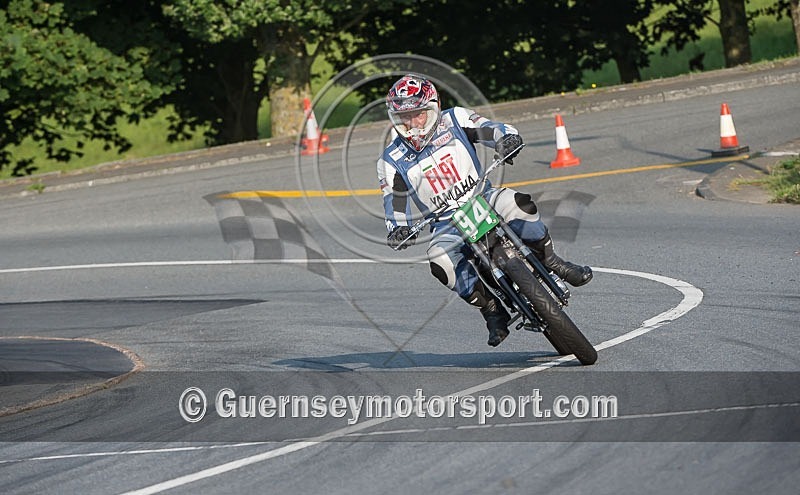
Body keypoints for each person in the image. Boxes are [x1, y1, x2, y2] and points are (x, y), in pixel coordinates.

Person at [377, 74, 592, 347]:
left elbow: (491, 129)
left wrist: (507, 139)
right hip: (445, 223)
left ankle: (553, 262)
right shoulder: (390, 160)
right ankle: (491, 309)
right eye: (403, 117)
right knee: (439, 261)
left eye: (419, 114)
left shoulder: (455, 119)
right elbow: (393, 201)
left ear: (434, 107)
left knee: (520, 204)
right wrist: (397, 228)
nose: (412, 124)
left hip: (484, 198)